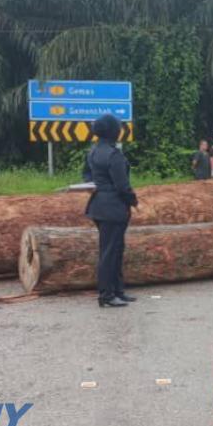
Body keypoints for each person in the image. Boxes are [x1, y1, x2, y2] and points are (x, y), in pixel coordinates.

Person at [84, 115, 138, 308]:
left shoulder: (93, 151)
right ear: (113, 131)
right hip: (113, 208)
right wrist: (134, 201)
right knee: (110, 252)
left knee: (114, 250)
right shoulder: (113, 155)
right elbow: (123, 186)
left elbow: (87, 176)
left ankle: (117, 291)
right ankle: (107, 295)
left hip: (99, 205)